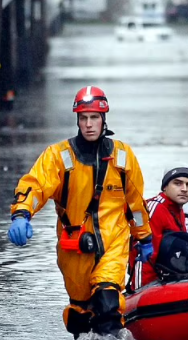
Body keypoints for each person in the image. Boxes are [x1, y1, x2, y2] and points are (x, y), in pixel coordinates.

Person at [7, 86, 153, 339]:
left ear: (104, 119)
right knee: (80, 316)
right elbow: (35, 186)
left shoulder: (122, 156)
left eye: (94, 117)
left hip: (113, 241)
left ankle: (113, 333)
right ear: (77, 120)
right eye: (83, 118)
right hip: (74, 246)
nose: (88, 124)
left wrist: (144, 237)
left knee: (108, 299)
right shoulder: (58, 157)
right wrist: (22, 214)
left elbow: (135, 204)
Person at [130, 163, 188, 290]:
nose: (184, 189)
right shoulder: (155, 209)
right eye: (178, 183)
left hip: (167, 282)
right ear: (165, 186)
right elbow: (141, 257)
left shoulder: (179, 209)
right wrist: (140, 291)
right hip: (148, 285)